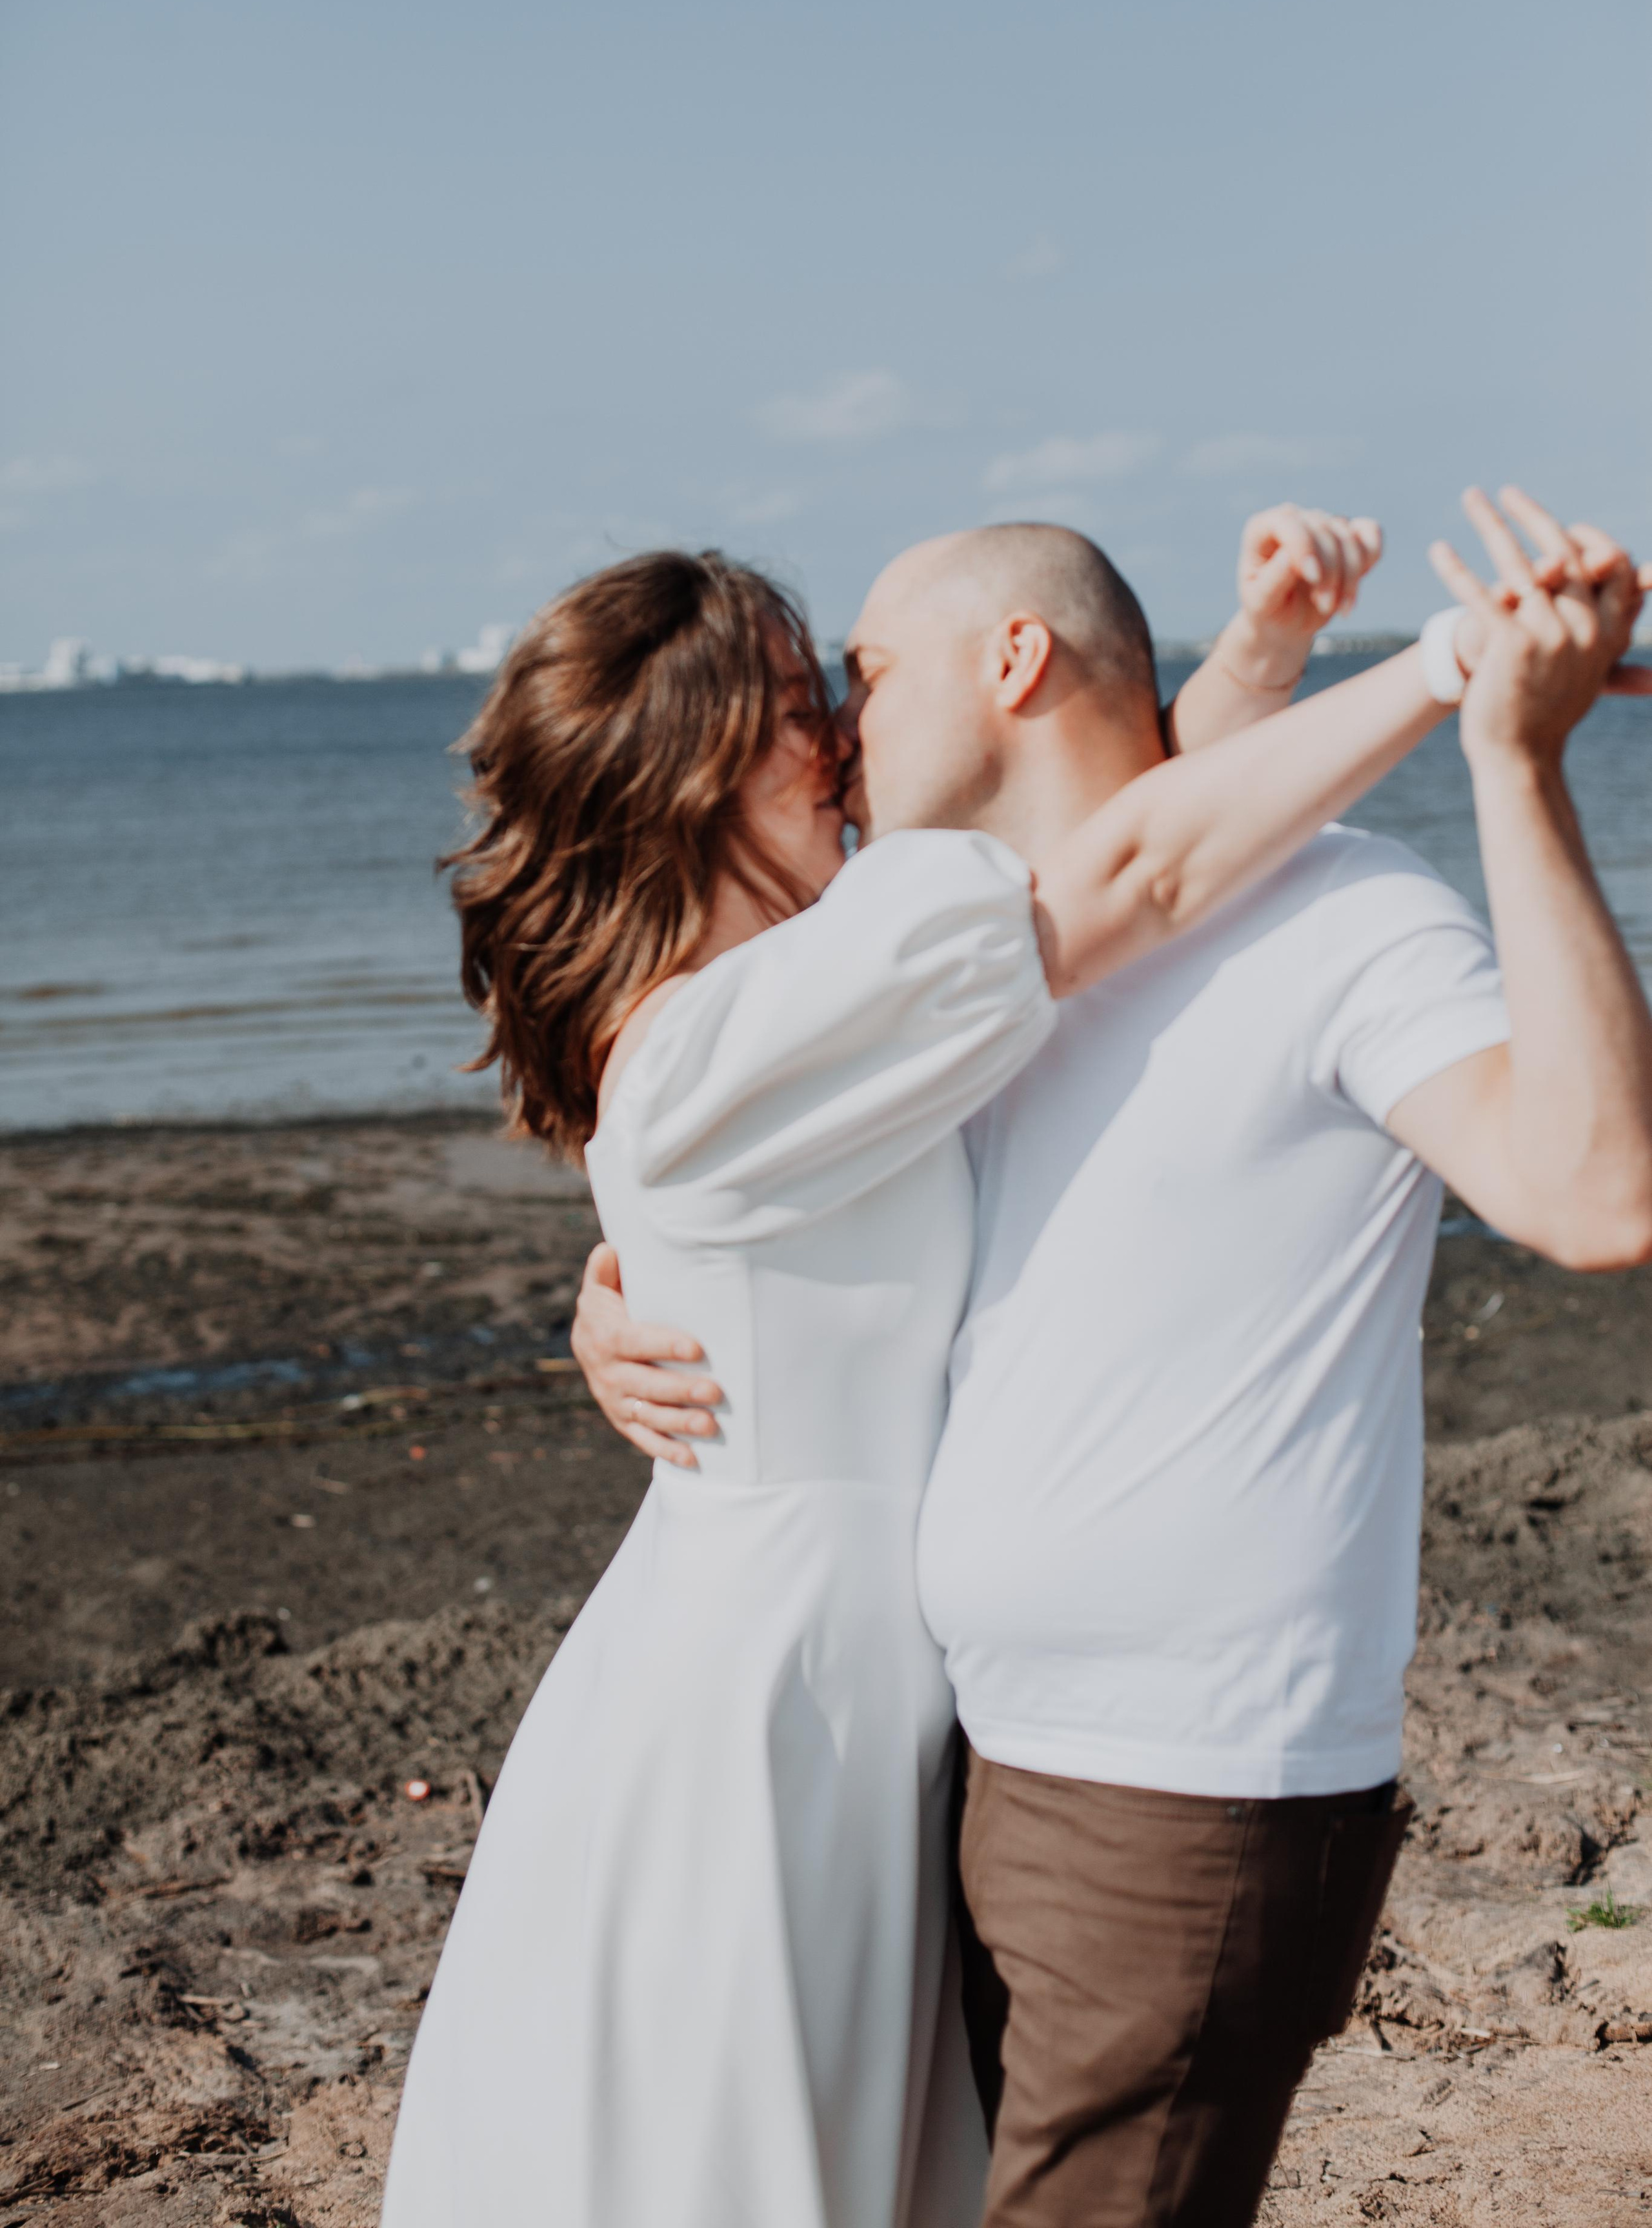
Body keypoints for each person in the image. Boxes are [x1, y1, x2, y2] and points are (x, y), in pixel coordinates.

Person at [572, 487, 1652, 2227]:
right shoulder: (989, 958)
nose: (839, 735)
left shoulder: (1343, 920)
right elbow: (796, 1170)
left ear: (1010, 658)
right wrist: (626, 1280)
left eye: (862, 672)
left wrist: (1515, 762)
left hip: (1192, 1787)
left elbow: (1596, 1192)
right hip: (970, 1765)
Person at [380, 505, 1469, 2228]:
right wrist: (1446, 672)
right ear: (698, 768)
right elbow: (1137, 872)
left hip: (869, 1673)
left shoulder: (810, 994)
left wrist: (1257, 661)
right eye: (803, 703)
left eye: (843, 689)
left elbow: (1112, 819)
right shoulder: (745, 1033)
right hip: (773, 1700)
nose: (842, 740)